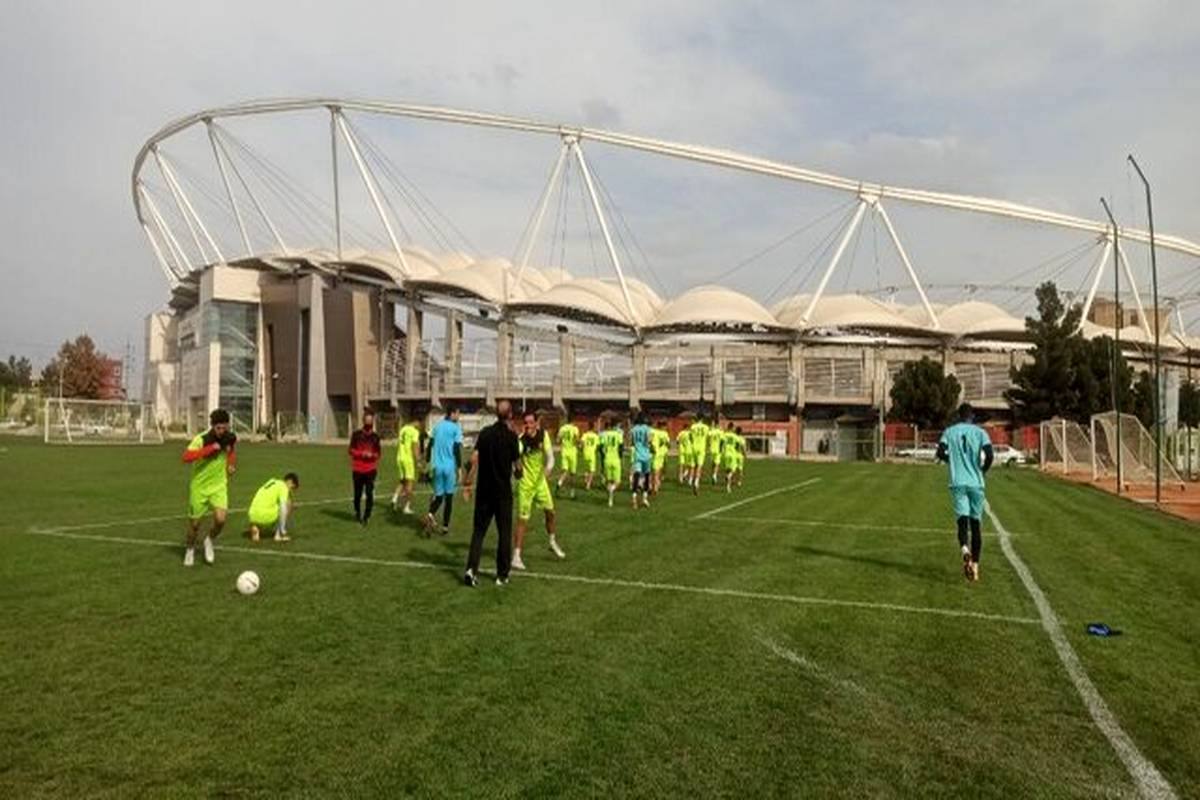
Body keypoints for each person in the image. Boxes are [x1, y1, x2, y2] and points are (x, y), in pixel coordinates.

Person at [463, 400, 521, 587]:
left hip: (484, 491)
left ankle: (471, 569)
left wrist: (468, 483)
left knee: (478, 532)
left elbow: (474, 459)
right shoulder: (512, 437)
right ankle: (502, 575)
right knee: (504, 533)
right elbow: (518, 467)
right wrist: (519, 473)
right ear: (510, 414)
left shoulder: (485, 433)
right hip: (502, 493)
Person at [937, 403, 994, 582]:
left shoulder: (949, 432)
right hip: (976, 483)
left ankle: (964, 550)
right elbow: (989, 455)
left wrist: (952, 460)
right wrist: (983, 470)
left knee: (962, 521)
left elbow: (940, 452)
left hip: (958, 483)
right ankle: (975, 566)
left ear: (958, 416)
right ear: (972, 416)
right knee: (975, 525)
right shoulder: (980, 433)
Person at [181, 408, 237, 566]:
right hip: (199, 488)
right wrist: (209, 449)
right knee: (195, 525)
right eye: (219, 428)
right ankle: (190, 549)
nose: (222, 431)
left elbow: (231, 451)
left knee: (221, 520)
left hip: (219, 486)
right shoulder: (201, 439)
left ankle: (209, 540)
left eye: (224, 427)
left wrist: (231, 465)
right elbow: (186, 457)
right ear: (212, 426)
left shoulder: (229, 438)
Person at [512, 410, 566, 569]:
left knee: (551, 512)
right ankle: (516, 556)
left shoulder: (543, 435)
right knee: (523, 520)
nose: (528, 426)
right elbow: (514, 461)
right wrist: (516, 471)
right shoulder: (520, 441)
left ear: (536, 423)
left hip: (540, 483)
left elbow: (551, 458)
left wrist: (548, 470)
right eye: (525, 423)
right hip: (526, 485)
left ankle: (552, 542)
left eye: (531, 422)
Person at [424, 406, 464, 536]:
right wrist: (459, 469)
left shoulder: (437, 426)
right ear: (452, 413)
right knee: (449, 498)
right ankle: (445, 527)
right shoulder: (455, 428)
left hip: (437, 467)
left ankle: (430, 514)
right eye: (458, 413)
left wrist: (427, 463)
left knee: (439, 497)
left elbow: (430, 445)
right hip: (449, 467)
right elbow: (456, 449)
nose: (459, 416)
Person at [349, 409, 382, 527]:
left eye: (370, 421)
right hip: (358, 469)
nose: (369, 423)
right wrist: (361, 454)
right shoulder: (356, 435)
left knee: (369, 493)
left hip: (370, 470)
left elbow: (378, 454)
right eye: (367, 420)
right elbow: (350, 450)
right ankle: (357, 512)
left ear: (373, 422)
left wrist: (371, 455)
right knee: (357, 494)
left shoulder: (375, 437)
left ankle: (367, 516)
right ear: (363, 421)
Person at [248, 473, 299, 542]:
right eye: (292, 488)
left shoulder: (271, 481)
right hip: (264, 515)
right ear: (290, 481)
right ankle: (278, 535)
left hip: (252, 515)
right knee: (288, 504)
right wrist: (282, 529)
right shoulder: (283, 487)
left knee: (266, 505)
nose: (290, 491)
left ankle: (255, 527)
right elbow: (283, 507)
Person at [391, 417, 423, 515]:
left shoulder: (403, 429)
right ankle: (406, 507)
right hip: (408, 460)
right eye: (420, 424)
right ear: (416, 421)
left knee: (403, 481)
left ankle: (394, 499)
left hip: (399, 458)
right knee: (410, 483)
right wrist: (418, 461)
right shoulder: (414, 432)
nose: (420, 427)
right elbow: (415, 447)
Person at [629, 412, 654, 509]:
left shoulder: (633, 429)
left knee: (636, 476)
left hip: (637, 455)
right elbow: (649, 440)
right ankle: (644, 498)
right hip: (646, 455)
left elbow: (631, 442)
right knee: (647, 476)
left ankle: (634, 498)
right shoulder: (647, 429)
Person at [599, 417, 624, 508]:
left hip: (607, 459)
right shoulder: (618, 434)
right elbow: (621, 447)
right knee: (617, 482)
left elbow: (601, 447)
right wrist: (620, 457)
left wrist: (603, 457)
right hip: (616, 459)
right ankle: (612, 490)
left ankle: (610, 499)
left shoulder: (604, 435)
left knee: (609, 481)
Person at [556, 418, 581, 498]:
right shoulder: (574, 429)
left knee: (564, 471)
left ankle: (559, 483)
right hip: (572, 451)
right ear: (573, 421)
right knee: (572, 473)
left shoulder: (562, 428)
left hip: (564, 451)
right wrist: (580, 443)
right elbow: (576, 439)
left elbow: (558, 440)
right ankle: (572, 493)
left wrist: (562, 443)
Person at [688, 414, 710, 495]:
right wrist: (707, 446)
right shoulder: (706, 427)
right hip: (701, 448)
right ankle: (696, 482)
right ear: (702, 419)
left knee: (693, 465)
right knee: (699, 466)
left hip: (693, 447)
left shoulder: (693, 426)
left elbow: (690, 437)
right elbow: (708, 437)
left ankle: (690, 479)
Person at [651, 422, 670, 494]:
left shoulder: (653, 431)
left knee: (654, 470)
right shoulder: (665, 434)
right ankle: (656, 485)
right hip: (661, 453)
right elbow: (668, 444)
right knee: (658, 469)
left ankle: (654, 485)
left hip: (655, 453)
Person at [581, 424, 600, 491]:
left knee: (586, 469)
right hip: (592, 454)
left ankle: (586, 479)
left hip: (585, 453)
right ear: (593, 428)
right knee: (592, 470)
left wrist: (582, 448)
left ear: (588, 427)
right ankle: (588, 484)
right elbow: (598, 445)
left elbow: (582, 442)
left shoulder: (585, 435)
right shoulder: (595, 436)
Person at [721, 423, 739, 493]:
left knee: (727, 469)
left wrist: (721, 450)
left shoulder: (724, 435)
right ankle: (729, 477)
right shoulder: (735, 436)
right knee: (733, 470)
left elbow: (721, 443)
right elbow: (737, 446)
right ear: (732, 428)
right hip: (732, 453)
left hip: (726, 453)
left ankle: (728, 487)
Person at [708, 417, 725, 485]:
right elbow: (722, 441)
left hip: (712, 449)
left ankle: (713, 474)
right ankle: (714, 475)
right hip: (718, 449)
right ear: (718, 424)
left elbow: (708, 438)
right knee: (717, 463)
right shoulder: (720, 432)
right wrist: (721, 448)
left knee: (713, 463)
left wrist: (709, 445)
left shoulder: (711, 431)